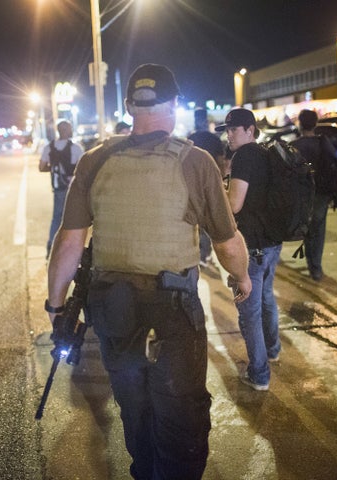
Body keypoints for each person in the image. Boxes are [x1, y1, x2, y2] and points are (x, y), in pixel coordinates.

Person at [47, 64, 251, 479]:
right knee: (181, 414)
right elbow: (228, 243)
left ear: (127, 106)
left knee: (134, 405)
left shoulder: (94, 160)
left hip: (112, 308)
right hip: (172, 309)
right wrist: (242, 278)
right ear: (174, 104)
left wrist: (55, 307)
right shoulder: (196, 161)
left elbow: (69, 243)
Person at [224, 107, 282, 391]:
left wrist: (216, 194)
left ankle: (259, 374)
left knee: (249, 311)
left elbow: (234, 204)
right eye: (227, 129)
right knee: (267, 298)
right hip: (272, 243)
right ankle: (273, 349)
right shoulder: (265, 153)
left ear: (250, 129)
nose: (229, 134)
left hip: (253, 247)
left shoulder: (245, 156)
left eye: (233, 129)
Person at [291, 109, 337, 281]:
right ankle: (315, 267)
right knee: (318, 229)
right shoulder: (323, 143)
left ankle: (310, 261)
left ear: (300, 124)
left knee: (306, 228)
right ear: (315, 123)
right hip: (321, 192)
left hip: (302, 195)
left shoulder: (295, 146)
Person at [39, 120, 84, 257]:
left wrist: (54, 170)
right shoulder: (76, 148)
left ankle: (51, 247)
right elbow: (82, 169)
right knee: (74, 219)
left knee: (56, 218)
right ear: (66, 130)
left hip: (58, 188)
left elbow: (41, 167)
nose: (71, 131)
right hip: (73, 189)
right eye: (69, 128)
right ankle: (71, 249)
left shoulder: (49, 147)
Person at [188, 129, 230, 266]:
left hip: (191, 186)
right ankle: (204, 253)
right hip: (209, 187)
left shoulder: (189, 142)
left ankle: (200, 253)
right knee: (208, 221)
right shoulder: (215, 143)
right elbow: (221, 162)